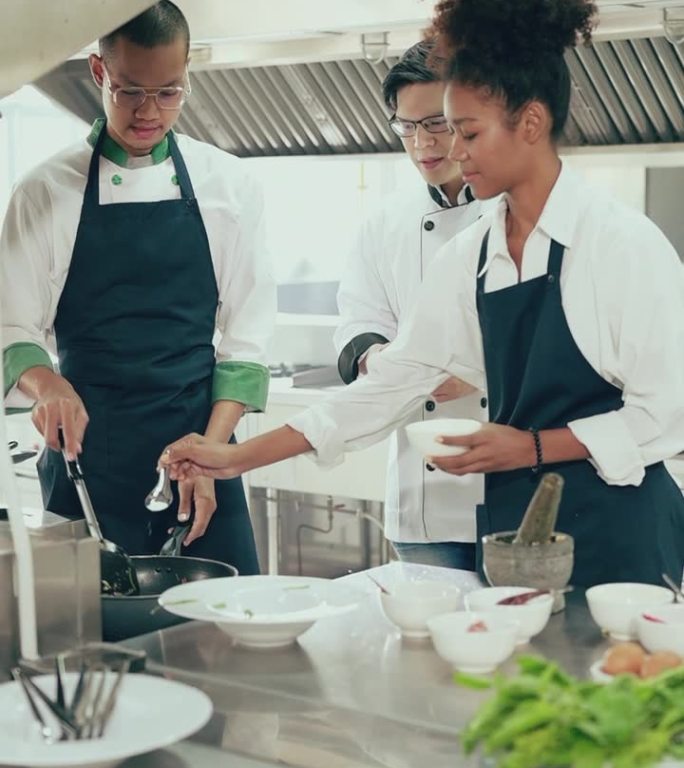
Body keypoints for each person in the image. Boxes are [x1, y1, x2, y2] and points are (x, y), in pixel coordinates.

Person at [159, 0, 684, 588]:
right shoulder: (475, 256)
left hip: (621, 529)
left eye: (469, 132)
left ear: (530, 123)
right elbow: (393, 381)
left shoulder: (621, 244)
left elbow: (666, 415)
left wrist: (527, 448)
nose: (451, 152)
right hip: (514, 529)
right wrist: (235, 457)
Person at [1, 1, 275, 574]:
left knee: (220, 636)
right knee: (88, 642)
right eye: (131, 92)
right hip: (86, 462)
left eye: (169, 93)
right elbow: (11, 326)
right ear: (100, 73)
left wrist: (208, 456)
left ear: (187, 76)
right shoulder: (46, 191)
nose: (150, 112)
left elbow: (246, 344)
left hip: (202, 450)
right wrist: (47, 383)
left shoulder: (229, 185)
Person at [335, 40, 492, 570]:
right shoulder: (384, 223)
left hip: (511, 491)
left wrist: (475, 374)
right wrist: (377, 361)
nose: (421, 143)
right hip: (421, 504)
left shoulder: (514, 211)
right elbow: (358, 319)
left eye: (437, 124)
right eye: (406, 127)